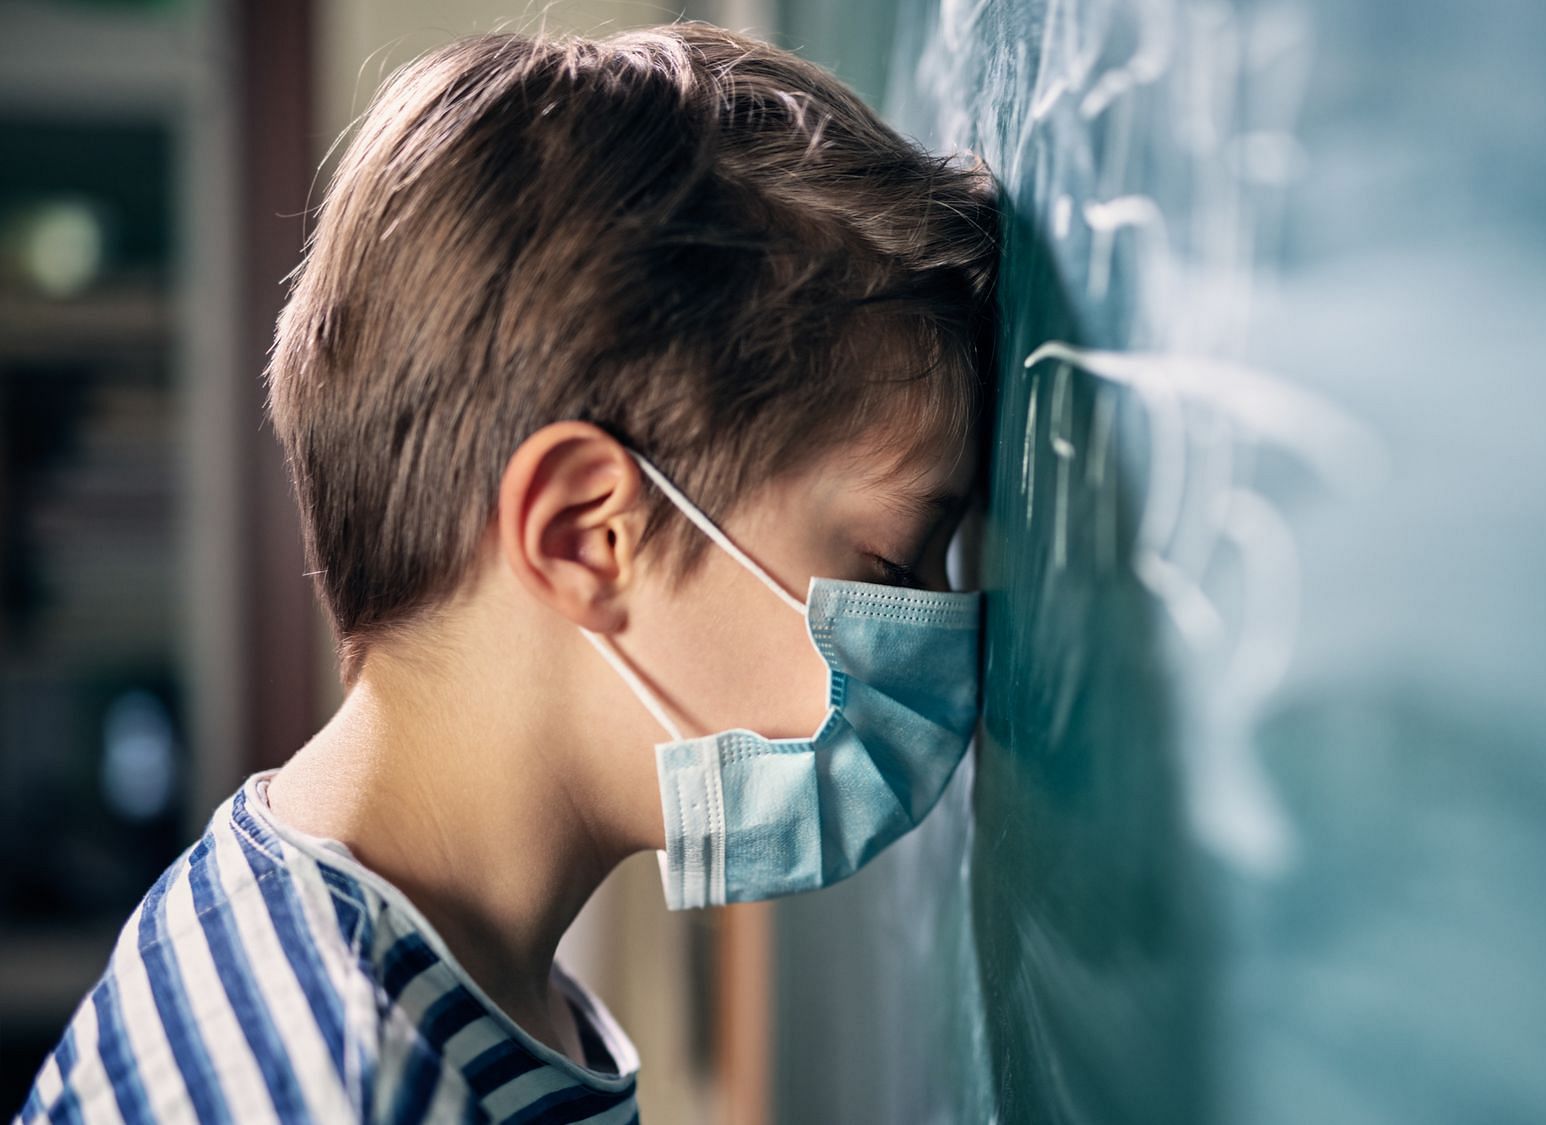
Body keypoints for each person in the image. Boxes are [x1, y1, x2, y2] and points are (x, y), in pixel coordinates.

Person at [14, 19, 997, 1124]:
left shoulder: (443, 979)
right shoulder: (333, 1089)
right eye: (889, 558)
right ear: (588, 535)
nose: (941, 630)